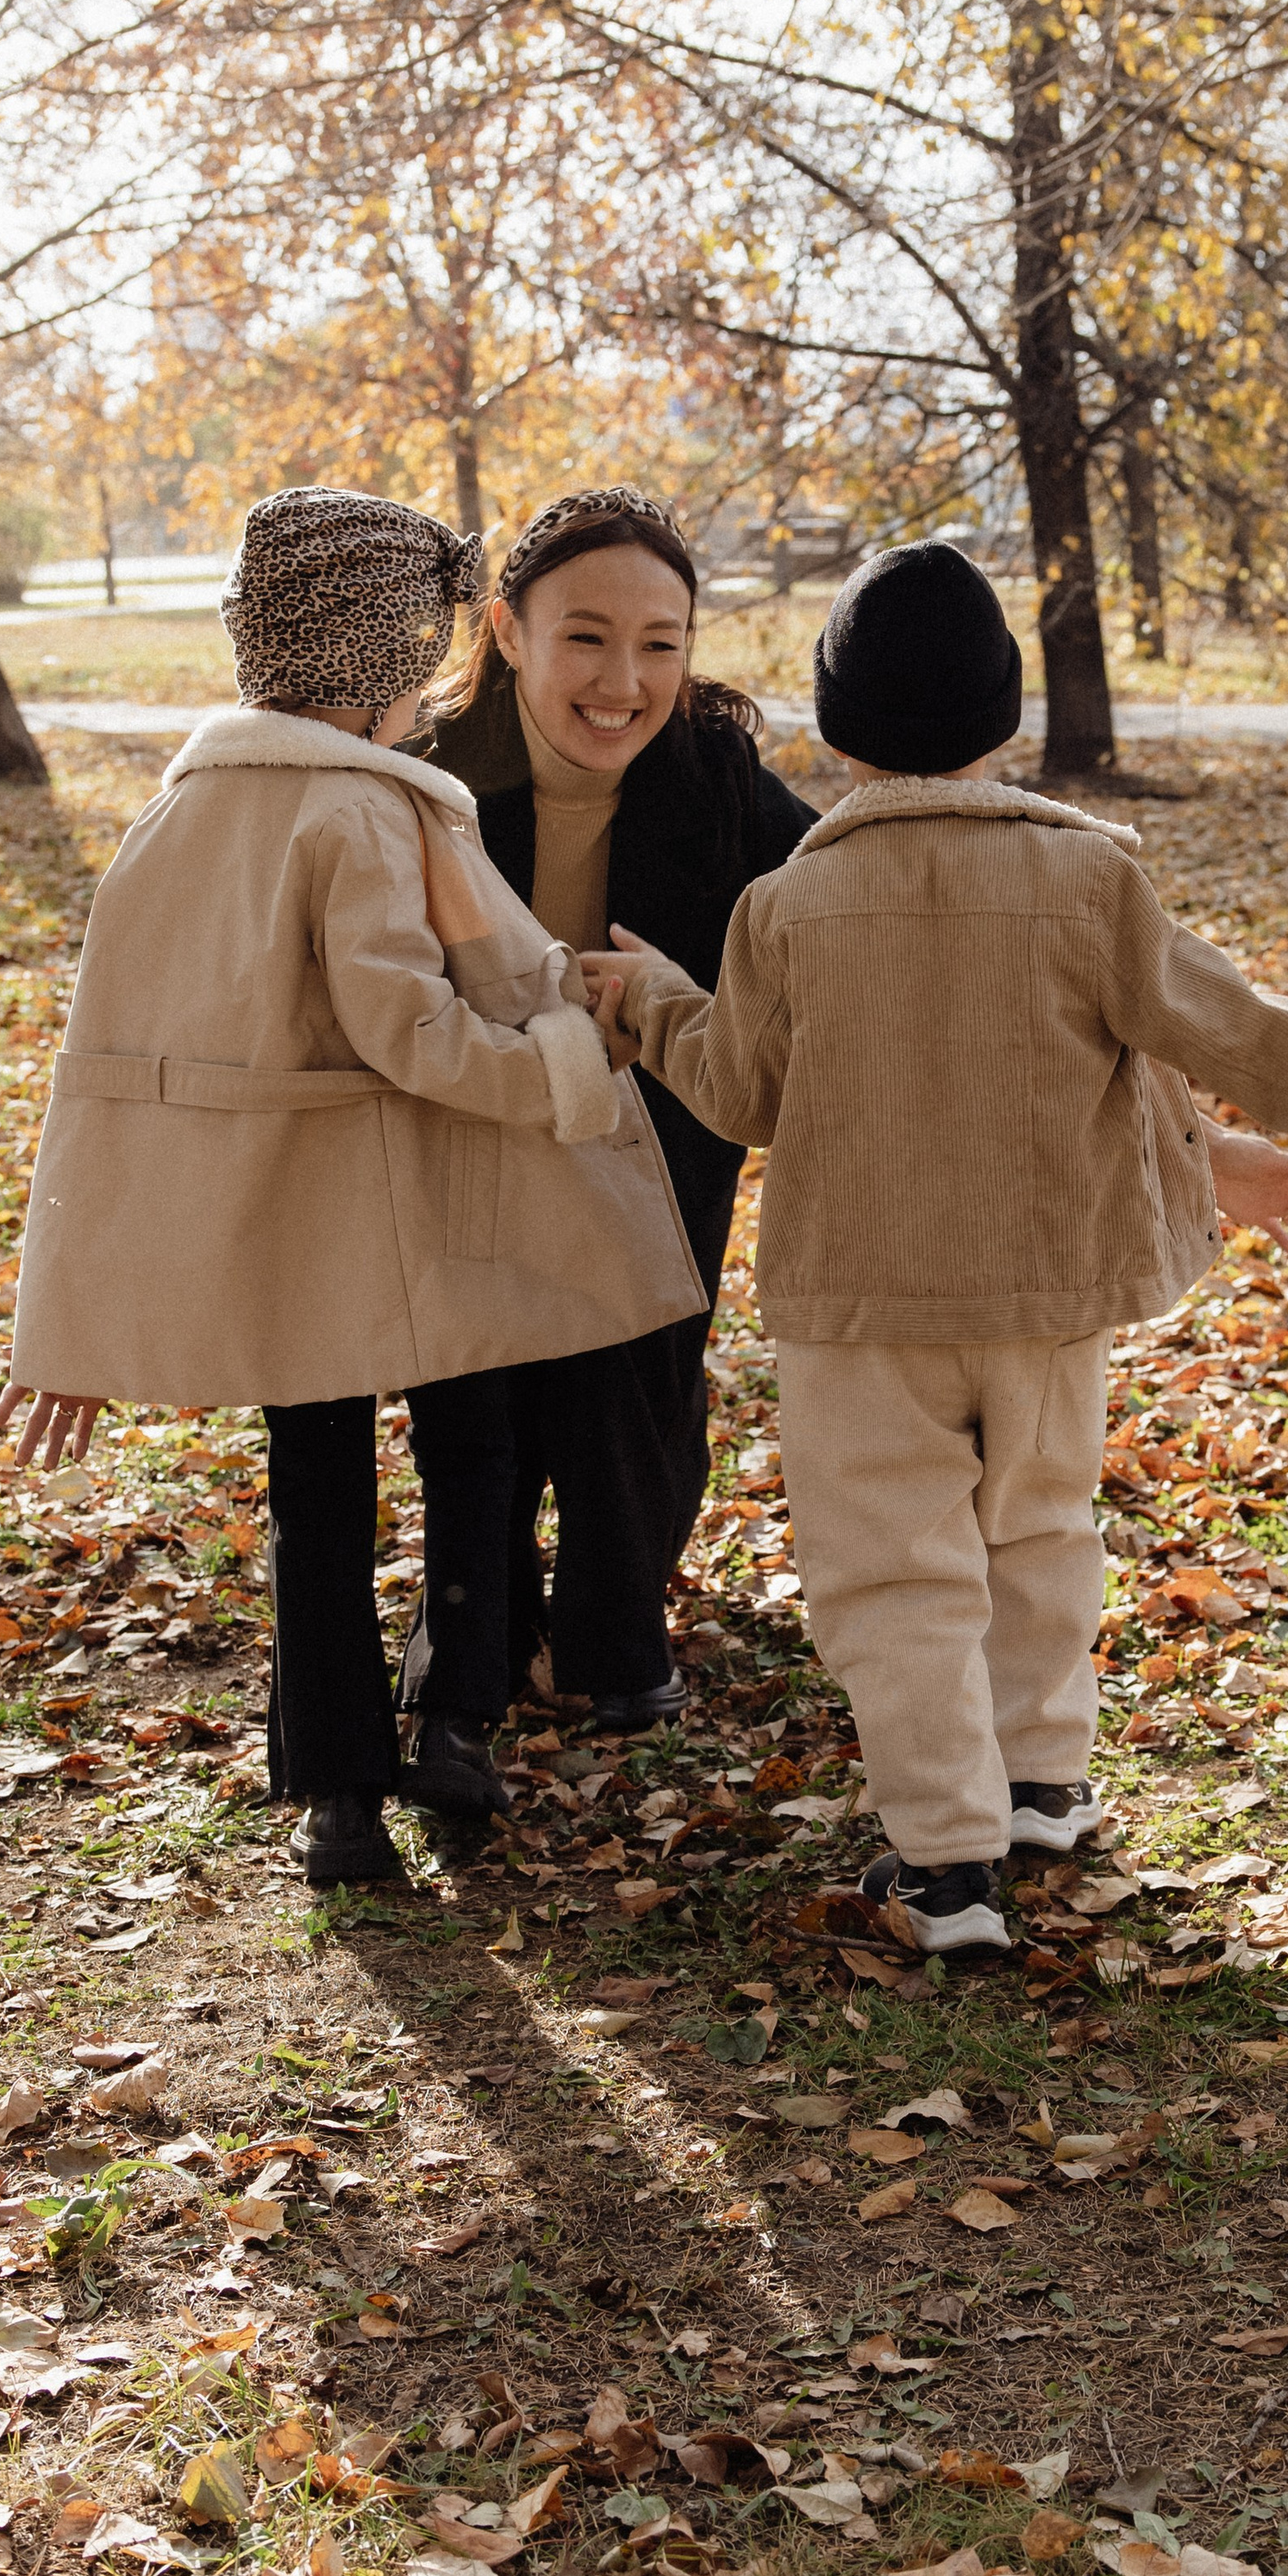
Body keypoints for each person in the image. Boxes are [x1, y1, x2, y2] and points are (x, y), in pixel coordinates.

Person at [586, 539, 1288, 1952]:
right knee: (1040, 1531)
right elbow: (1244, 1034)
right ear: (1005, 723)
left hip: (864, 1307)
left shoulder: (789, 908)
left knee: (896, 1570)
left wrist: (654, 997)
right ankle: (1042, 1782)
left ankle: (949, 1863)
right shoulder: (1093, 887)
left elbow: (739, 1093)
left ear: (835, 733)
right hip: (1052, 1294)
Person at [0, 485, 707, 1885]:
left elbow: (115, 1072)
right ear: (392, 662)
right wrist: (561, 1063)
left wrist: (69, 1301)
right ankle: (452, 1719)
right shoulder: (363, 817)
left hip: (281, 1233)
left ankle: (335, 1787)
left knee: (313, 1487)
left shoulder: (174, 821)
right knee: (470, 1450)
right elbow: (412, 1032)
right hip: (412, 1214)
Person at [410, 485, 816, 1730]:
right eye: (584, 636)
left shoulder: (723, 785)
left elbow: (850, 912)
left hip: (661, 1136)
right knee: (482, 1393)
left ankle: (615, 1620)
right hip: (469, 1125)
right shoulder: (425, 780)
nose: (620, 682)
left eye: (660, 646)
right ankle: (478, 1612)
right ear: (509, 629)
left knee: (637, 1388)